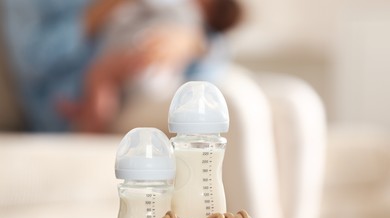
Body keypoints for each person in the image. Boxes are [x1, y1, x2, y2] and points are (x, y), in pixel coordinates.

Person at [2, 0, 242, 132]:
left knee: (266, 103)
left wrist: (191, 42)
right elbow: (31, 61)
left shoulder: (189, 19)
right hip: (75, 105)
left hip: (155, 74)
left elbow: (216, 52)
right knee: (234, 107)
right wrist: (102, 11)